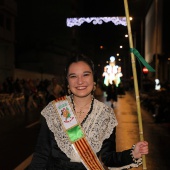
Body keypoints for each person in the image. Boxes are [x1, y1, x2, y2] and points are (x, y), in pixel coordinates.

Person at [28, 54, 148, 170]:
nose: (80, 81)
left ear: (94, 79)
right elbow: (41, 155)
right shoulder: (54, 110)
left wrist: (133, 153)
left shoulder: (105, 114)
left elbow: (108, 158)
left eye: (86, 75)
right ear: (67, 81)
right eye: (73, 76)